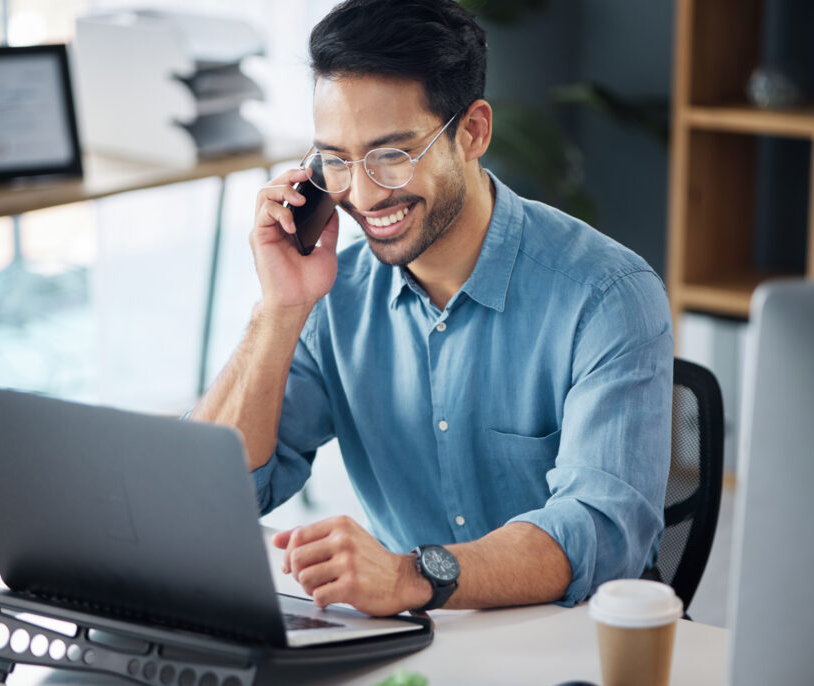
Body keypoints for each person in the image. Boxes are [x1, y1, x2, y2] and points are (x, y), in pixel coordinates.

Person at [190, 0, 673, 617]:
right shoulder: (332, 294)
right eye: (337, 159)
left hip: (568, 643)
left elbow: (602, 533)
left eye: (392, 154)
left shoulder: (607, 296)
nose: (362, 195)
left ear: (471, 132)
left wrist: (414, 576)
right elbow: (212, 496)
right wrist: (278, 310)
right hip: (412, 642)